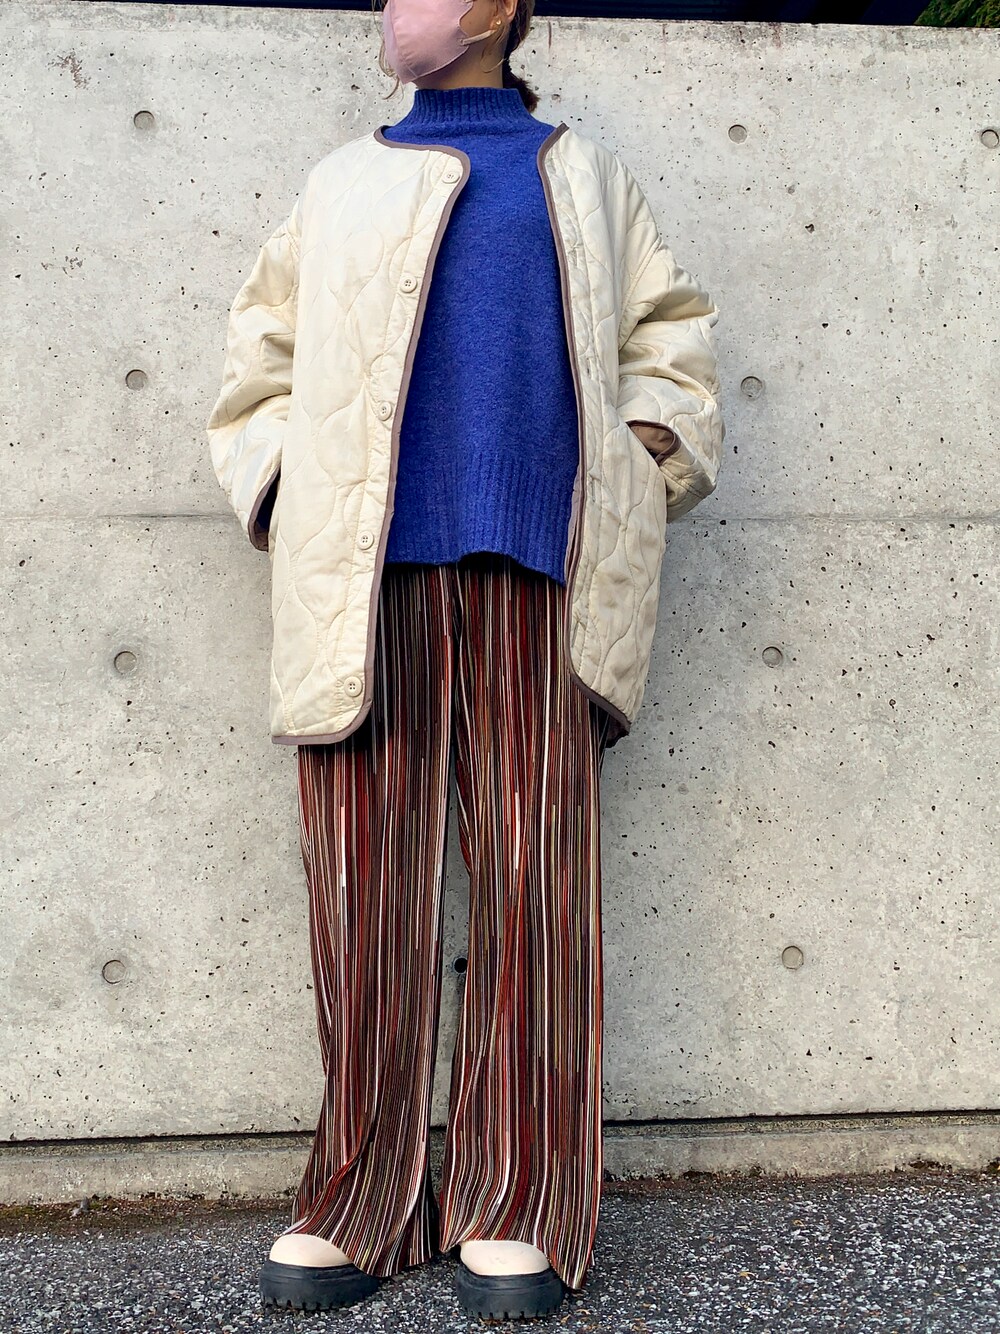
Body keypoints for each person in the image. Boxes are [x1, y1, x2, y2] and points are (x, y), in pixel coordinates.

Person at [205, 0, 725, 1320]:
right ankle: (360, 1195)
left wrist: (643, 460)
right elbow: (259, 359)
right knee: (363, 901)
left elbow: (669, 340)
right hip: (364, 585)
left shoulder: (586, 177)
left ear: (500, 7)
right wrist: (284, 492)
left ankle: (518, 1201)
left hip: (544, 578)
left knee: (534, 898)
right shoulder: (340, 181)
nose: (399, 9)